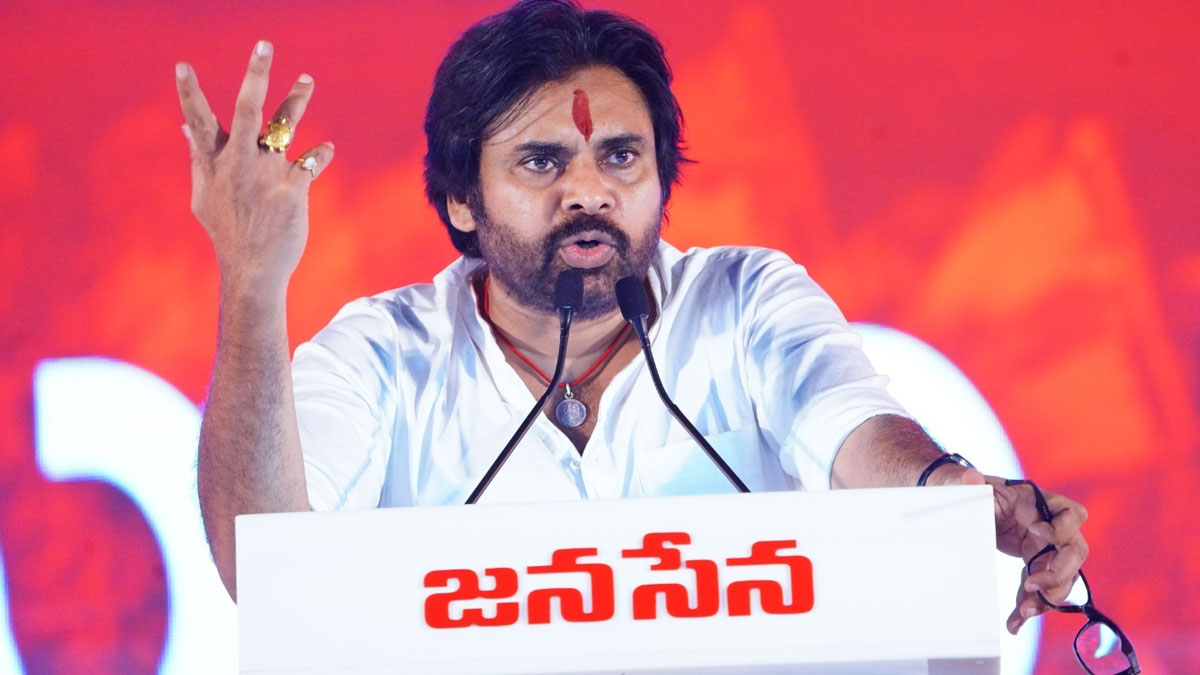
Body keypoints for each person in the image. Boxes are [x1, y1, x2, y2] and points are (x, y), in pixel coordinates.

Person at [175, 0, 1087, 636]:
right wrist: (252, 281)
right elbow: (266, 565)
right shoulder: (381, 354)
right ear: (460, 199)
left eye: (620, 156)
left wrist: (951, 491)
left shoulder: (745, 299)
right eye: (541, 162)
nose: (590, 191)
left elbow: (855, 430)